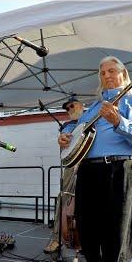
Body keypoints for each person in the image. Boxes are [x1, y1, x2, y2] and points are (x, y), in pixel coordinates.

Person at [58, 56, 132, 262]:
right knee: (87, 226)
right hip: (88, 170)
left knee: (117, 230)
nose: (107, 75)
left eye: (112, 71)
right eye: (102, 72)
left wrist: (118, 121)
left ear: (123, 74)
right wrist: (66, 139)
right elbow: (77, 135)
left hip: (118, 168)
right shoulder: (92, 107)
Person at [44, 97, 85, 253]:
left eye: (72, 106)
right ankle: (57, 239)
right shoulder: (67, 126)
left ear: (82, 105)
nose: (70, 110)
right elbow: (66, 143)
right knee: (64, 200)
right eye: (67, 108)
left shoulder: (93, 120)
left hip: (91, 167)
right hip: (71, 167)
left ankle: (86, 240)